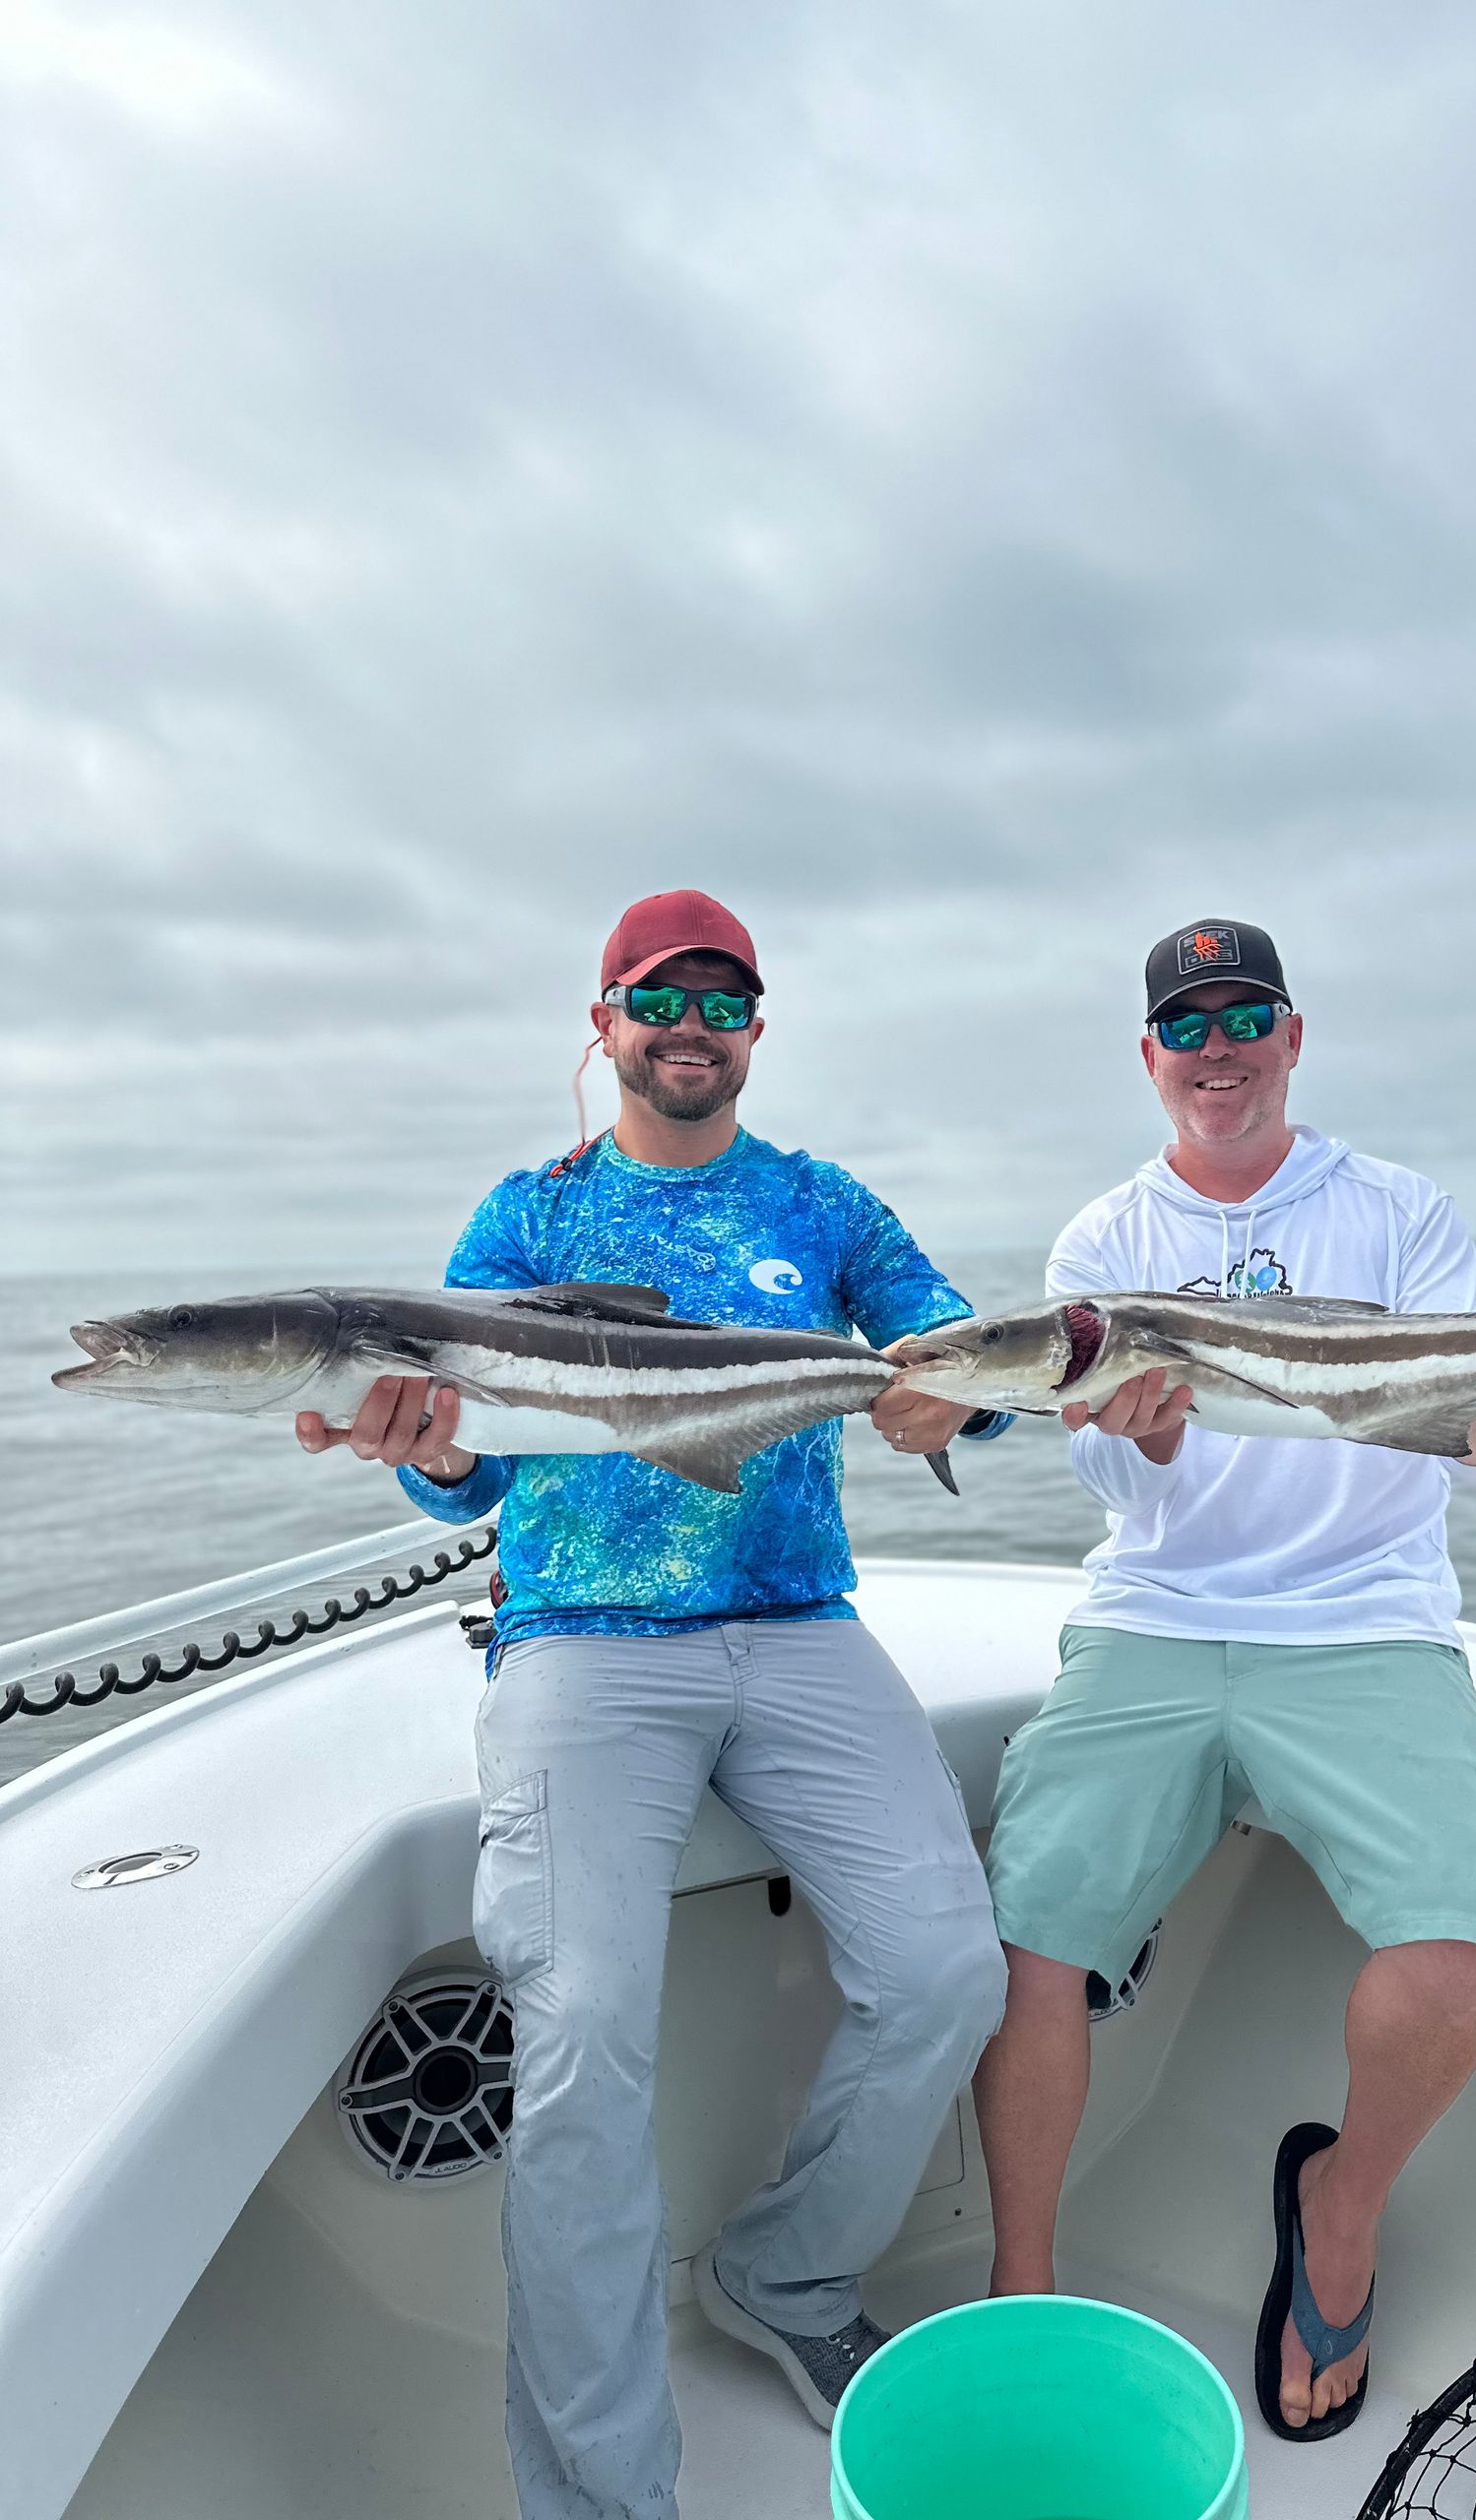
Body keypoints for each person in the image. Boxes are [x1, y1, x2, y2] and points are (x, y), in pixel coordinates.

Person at [297, 888, 1011, 2520]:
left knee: (946, 1970)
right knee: (583, 2035)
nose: (688, 1024)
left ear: (756, 1031)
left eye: (723, 999)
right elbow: (458, 1472)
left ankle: (787, 2275)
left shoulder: (826, 1206)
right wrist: (432, 1442)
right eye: (656, 998)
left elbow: (969, 1373)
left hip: (801, 1627)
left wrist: (957, 1398)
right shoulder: (529, 1217)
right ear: (605, 1022)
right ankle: (603, 2496)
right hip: (579, 1644)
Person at [970, 916, 1476, 2444]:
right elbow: (1127, 1502)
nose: (1218, 1050)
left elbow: (1459, 1432)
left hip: (1367, 1620)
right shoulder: (1098, 1249)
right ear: (1150, 1060)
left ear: (1293, 1035)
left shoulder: (1399, 1213)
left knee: (1453, 1966)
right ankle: (1018, 2289)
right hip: (1159, 1612)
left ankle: (1339, 2209)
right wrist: (1138, 1430)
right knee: (1022, 1947)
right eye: (1185, 1028)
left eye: (1243, 1016)